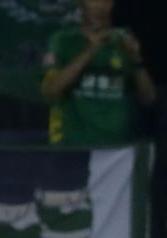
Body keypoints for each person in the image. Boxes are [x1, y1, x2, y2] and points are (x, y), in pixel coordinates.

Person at [43, 0, 159, 147]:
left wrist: (137, 61)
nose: (99, 6)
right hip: (73, 145)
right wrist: (92, 49)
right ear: (80, 3)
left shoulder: (125, 42)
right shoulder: (62, 41)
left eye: (106, 1)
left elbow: (149, 99)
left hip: (118, 149)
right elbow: (52, 91)